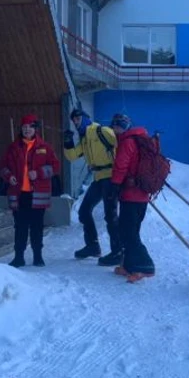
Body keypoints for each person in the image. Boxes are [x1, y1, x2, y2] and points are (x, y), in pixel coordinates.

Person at [0, 114, 60, 268]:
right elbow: (2, 167)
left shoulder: (45, 148)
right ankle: (19, 257)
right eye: (24, 127)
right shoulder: (13, 148)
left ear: (35, 129)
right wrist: (8, 176)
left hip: (37, 195)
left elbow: (55, 167)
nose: (27, 130)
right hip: (19, 194)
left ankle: (38, 256)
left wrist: (38, 173)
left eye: (30, 127)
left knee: (37, 226)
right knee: (20, 227)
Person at [63, 109, 122, 266]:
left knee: (111, 215)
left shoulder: (102, 130)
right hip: (98, 178)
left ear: (86, 118)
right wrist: (68, 141)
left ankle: (118, 252)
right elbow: (72, 156)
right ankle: (93, 246)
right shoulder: (84, 139)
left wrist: (122, 174)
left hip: (110, 177)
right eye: (74, 120)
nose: (76, 122)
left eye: (78, 118)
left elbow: (120, 146)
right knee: (84, 211)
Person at [108, 114, 155, 283]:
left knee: (128, 232)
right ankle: (129, 265)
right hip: (142, 193)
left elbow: (121, 166)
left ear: (123, 127)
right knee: (131, 230)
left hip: (131, 194)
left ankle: (144, 265)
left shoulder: (127, 142)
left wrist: (114, 185)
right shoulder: (143, 139)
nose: (115, 130)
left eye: (117, 127)